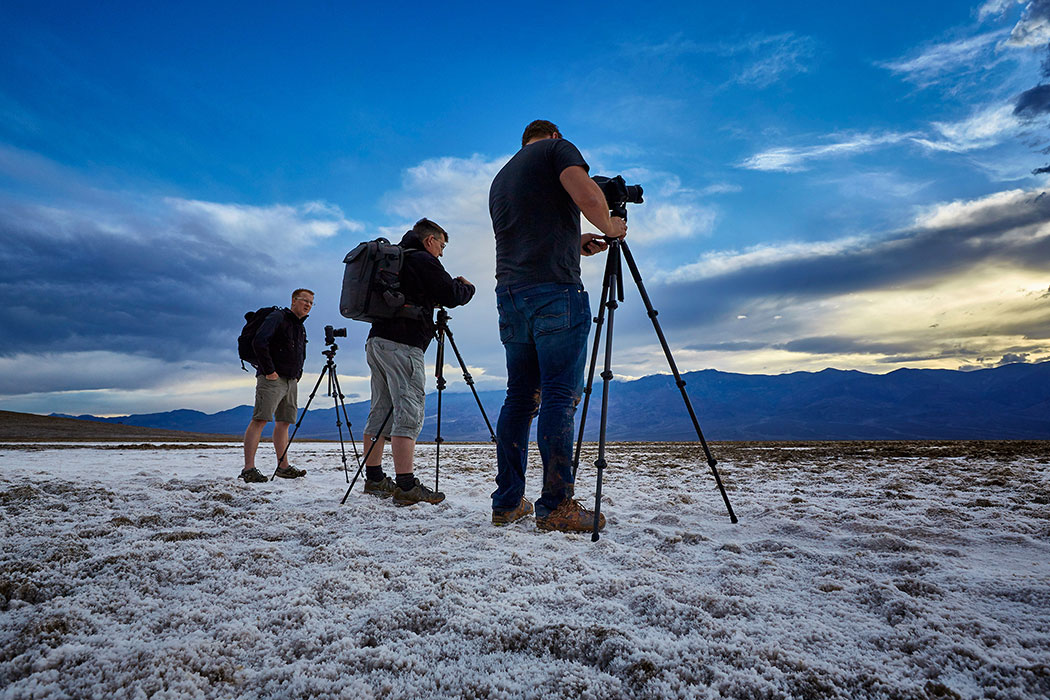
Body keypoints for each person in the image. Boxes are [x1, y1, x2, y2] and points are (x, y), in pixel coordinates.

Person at [488, 119, 627, 532]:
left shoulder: (503, 175)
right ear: (552, 135)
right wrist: (609, 226)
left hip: (511, 294)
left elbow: (531, 230)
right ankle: (556, 506)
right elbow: (584, 190)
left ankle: (508, 503)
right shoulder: (557, 150)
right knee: (559, 395)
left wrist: (575, 241)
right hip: (554, 293)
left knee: (519, 398)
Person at [360, 218, 476, 505]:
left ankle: (374, 479)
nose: (441, 253)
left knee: (381, 410)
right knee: (408, 411)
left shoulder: (397, 260)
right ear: (430, 240)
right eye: (441, 245)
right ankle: (406, 486)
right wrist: (467, 287)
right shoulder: (423, 259)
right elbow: (450, 295)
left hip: (377, 341)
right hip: (403, 343)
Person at [239, 289, 314, 483]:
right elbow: (259, 341)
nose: (307, 305)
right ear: (293, 300)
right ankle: (248, 469)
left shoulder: (299, 326)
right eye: (304, 300)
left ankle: (283, 466)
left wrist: (298, 375)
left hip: (291, 380)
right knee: (260, 419)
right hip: (272, 378)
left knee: (284, 423)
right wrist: (269, 370)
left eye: (311, 303)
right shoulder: (277, 317)